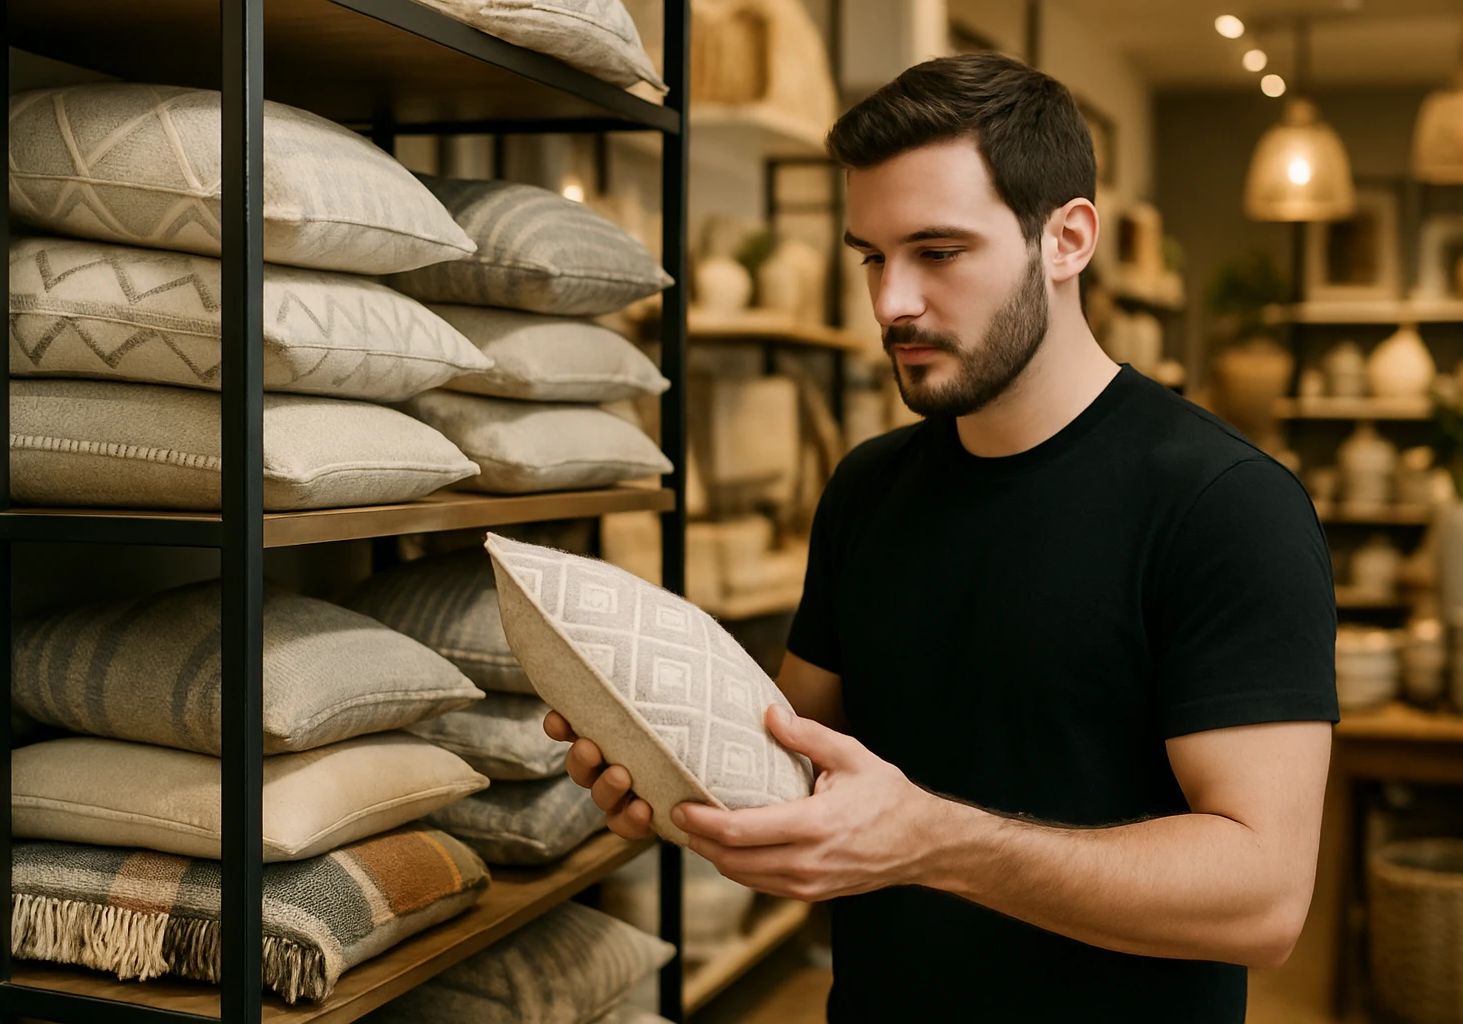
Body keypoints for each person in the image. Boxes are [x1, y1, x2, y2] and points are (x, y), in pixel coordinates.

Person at [544, 52, 1338, 1022]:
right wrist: (666, 770)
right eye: (872, 256)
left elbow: (1263, 900)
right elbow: (797, 772)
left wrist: (934, 840)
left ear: (1068, 239)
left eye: (939, 252)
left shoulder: (1226, 503)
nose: (891, 304)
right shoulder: (870, 486)